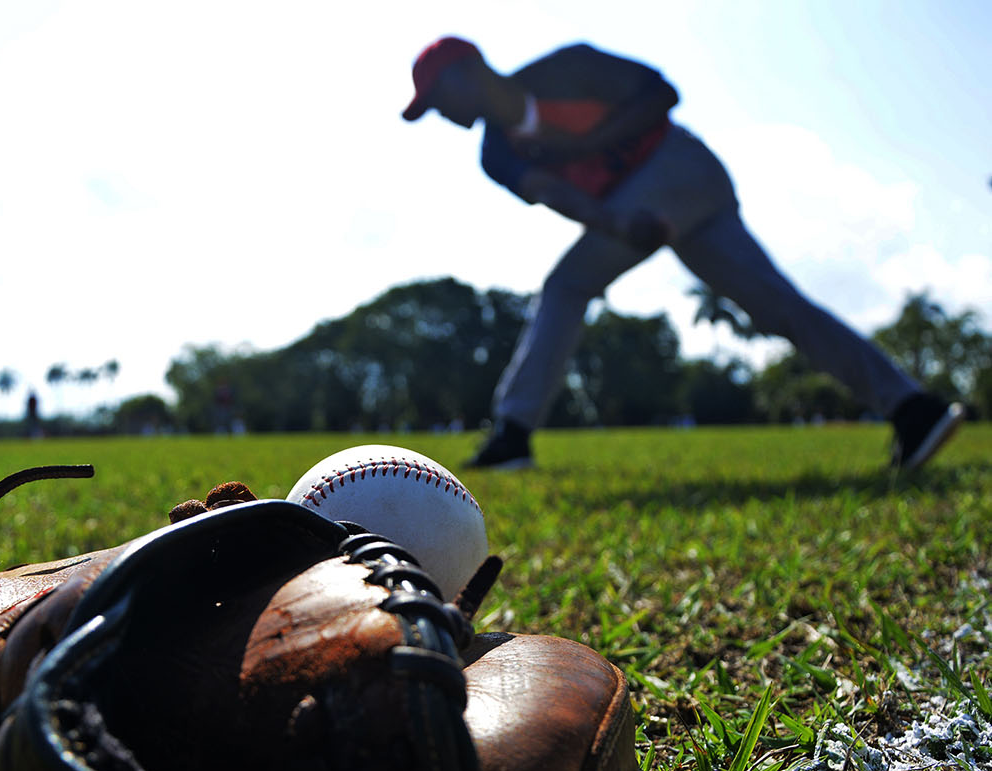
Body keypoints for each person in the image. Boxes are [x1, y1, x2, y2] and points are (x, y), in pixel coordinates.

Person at [401, 37, 965, 472]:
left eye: (437, 98)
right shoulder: (495, 153)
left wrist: (582, 147)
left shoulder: (565, 69)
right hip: (636, 209)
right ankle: (915, 410)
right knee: (776, 306)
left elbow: (662, 94)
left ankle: (512, 434)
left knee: (568, 286)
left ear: (467, 70)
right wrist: (619, 220)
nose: (438, 113)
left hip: (680, 168)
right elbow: (555, 193)